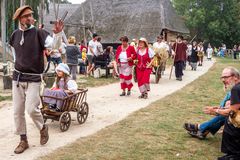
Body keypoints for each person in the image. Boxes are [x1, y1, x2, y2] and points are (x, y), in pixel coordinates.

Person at [9, 5, 64, 154]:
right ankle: (23, 140)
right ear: (20, 19)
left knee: (31, 109)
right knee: (17, 111)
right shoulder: (14, 35)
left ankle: (42, 127)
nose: (29, 18)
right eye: (26, 16)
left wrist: (58, 35)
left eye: (30, 15)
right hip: (17, 78)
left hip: (34, 78)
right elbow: (15, 55)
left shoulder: (39, 33)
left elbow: (53, 46)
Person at [218, 67, 240, 160]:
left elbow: (233, 111)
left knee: (230, 120)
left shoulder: (236, 89)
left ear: (235, 77)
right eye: (222, 77)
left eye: (226, 77)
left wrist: (217, 111)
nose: (223, 80)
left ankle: (234, 155)